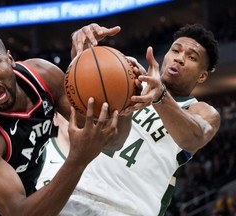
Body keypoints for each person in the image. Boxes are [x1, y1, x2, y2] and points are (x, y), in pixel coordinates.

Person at [0, 24, 148, 216]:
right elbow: (20, 212)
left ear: (10, 59)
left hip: (31, 198)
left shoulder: (44, 76)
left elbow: (112, 142)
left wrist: (124, 102)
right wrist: (78, 159)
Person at [38, 23, 221, 216]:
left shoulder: (200, 111)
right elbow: (82, 100)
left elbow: (194, 137)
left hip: (130, 209)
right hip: (78, 194)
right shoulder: (127, 80)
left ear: (202, 76)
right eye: (175, 50)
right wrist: (82, 48)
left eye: (191, 57)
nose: (180, 58)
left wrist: (160, 96)